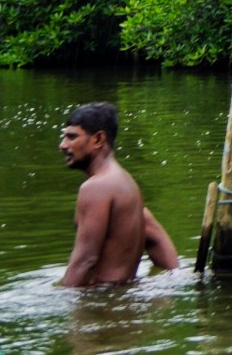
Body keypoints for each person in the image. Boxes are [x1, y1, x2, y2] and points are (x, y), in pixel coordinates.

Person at [57, 102, 179, 286]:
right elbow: (155, 237)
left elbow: (85, 260)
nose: (63, 145)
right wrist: (177, 279)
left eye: (72, 137)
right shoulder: (126, 183)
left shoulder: (96, 187)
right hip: (124, 297)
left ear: (98, 139)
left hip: (101, 304)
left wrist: (65, 303)